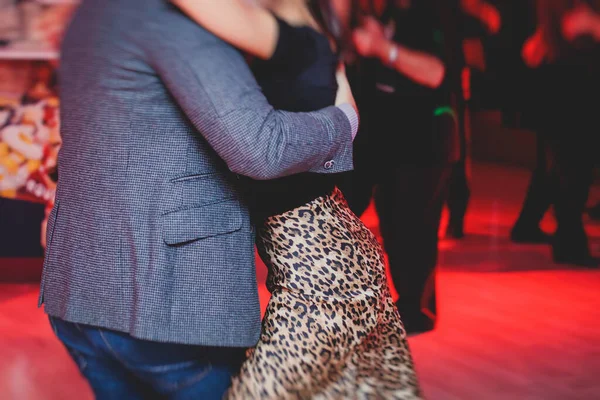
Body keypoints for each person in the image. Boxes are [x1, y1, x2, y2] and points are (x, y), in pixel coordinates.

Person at [39, 0, 360, 398]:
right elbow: (261, 148)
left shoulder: (93, 11)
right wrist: (345, 121)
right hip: (167, 299)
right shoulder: (178, 21)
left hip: (79, 289)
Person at [173, 0, 422, 398]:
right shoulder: (310, 35)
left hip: (326, 277)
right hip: (336, 256)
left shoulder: (286, 34)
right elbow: (348, 112)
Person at [343, 0, 459, 335]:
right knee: (345, 211)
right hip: (376, 134)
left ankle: (415, 310)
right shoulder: (377, 12)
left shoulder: (433, 11)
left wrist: (383, 49)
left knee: (412, 230)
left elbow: (436, 72)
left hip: (424, 138)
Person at [513, 0, 600, 266]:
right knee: (571, 167)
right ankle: (569, 243)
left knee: (561, 166)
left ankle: (558, 237)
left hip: (562, 83)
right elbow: (567, 29)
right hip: (572, 84)